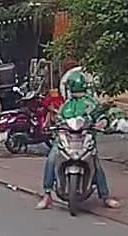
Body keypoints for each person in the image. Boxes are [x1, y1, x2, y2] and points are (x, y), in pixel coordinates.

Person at [36, 69, 119, 210]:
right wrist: (52, 124)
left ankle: (105, 196)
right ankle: (47, 195)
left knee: (96, 164)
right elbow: (58, 119)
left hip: (85, 139)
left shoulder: (91, 104)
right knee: (51, 160)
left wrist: (102, 122)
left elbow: (101, 116)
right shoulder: (66, 105)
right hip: (66, 140)